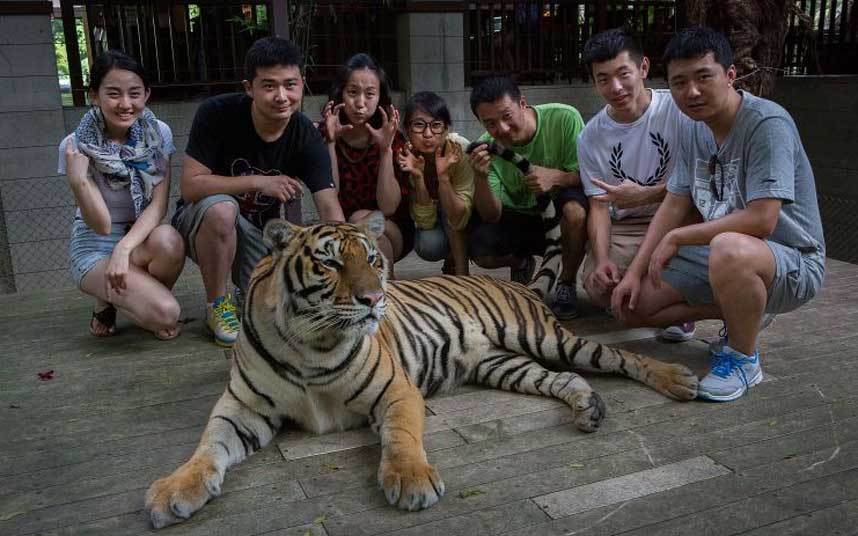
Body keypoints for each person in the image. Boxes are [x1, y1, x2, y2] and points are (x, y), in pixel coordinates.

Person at [611, 27, 825, 401]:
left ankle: (743, 359)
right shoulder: (696, 129)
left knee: (727, 246)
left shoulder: (766, 124)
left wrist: (676, 237)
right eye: (679, 82)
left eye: (703, 77)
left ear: (730, 75)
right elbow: (674, 203)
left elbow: (763, 220)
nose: (691, 92)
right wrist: (633, 273)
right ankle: (742, 309)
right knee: (631, 307)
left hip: (792, 262)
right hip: (726, 258)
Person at [172, 37, 344, 347]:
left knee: (283, 310)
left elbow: (329, 207)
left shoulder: (305, 134)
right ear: (249, 87)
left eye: (290, 85)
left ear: (301, 84)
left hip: (256, 233)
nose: (282, 96)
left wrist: (349, 264)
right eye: (269, 86)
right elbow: (190, 186)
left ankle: (244, 287)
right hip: (200, 222)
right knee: (222, 208)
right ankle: (217, 305)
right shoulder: (217, 113)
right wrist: (257, 182)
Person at [577, 28, 697, 342]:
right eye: (603, 79)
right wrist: (601, 260)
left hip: (682, 219)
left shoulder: (679, 110)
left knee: (647, 292)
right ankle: (662, 293)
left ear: (643, 68)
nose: (615, 87)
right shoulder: (590, 136)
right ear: (594, 83)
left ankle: (705, 308)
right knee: (599, 288)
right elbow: (599, 206)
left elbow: (701, 182)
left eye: (623, 74)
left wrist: (648, 193)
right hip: (627, 227)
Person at [61, 50, 184, 340]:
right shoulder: (76, 145)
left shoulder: (158, 133)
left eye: (135, 93)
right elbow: (101, 225)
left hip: (137, 238)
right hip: (94, 245)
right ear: (94, 95)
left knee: (169, 239)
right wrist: (78, 180)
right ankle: (121, 300)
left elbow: (158, 206)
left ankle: (117, 300)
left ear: (147, 95)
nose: (126, 104)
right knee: (166, 315)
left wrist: (124, 249)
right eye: (114, 94)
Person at [467, 76, 588, 319]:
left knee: (576, 211)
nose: (501, 129)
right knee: (480, 247)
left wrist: (556, 177)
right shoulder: (484, 147)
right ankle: (520, 264)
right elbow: (493, 214)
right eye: (490, 123)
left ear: (522, 103)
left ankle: (566, 282)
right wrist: (479, 177)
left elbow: (589, 177)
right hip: (521, 218)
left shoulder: (564, 118)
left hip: (558, 211)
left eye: (507, 116)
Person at [320, 53, 412, 277]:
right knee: (363, 229)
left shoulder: (393, 137)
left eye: (370, 94)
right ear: (340, 94)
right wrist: (330, 143)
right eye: (352, 93)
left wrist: (385, 150)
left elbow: (389, 207)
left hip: (393, 227)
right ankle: (390, 299)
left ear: (380, 97)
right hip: (343, 230)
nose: (360, 103)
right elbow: (330, 196)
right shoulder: (324, 135)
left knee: (361, 220)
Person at [397, 91, 474, 275]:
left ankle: (463, 274)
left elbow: (459, 216)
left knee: (449, 208)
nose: (428, 134)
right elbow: (426, 221)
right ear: (407, 130)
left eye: (436, 125)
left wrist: (444, 177)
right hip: (436, 220)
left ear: (446, 128)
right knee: (428, 244)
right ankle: (451, 257)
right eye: (418, 125)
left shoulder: (460, 149)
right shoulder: (406, 157)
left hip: (468, 217)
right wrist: (418, 177)